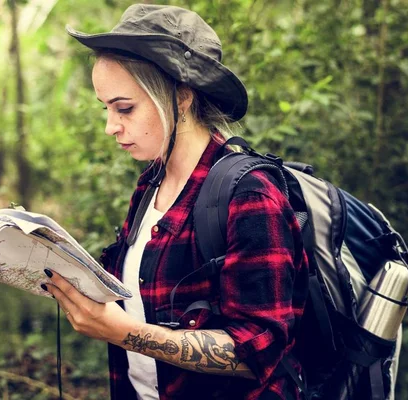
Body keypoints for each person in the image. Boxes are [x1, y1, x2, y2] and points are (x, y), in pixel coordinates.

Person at [42, 4, 309, 399]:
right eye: (107, 109)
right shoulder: (152, 182)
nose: (110, 126)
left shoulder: (249, 194)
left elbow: (258, 351)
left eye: (125, 108)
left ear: (181, 98)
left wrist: (122, 332)